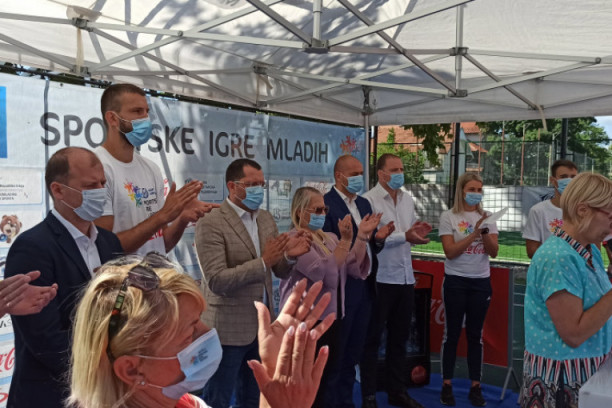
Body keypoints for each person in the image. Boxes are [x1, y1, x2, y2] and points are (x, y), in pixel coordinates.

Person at [68, 253, 333, 408]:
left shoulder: (187, 403)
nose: (207, 332)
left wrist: (274, 383)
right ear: (131, 369)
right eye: (189, 334)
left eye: (199, 320)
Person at [4, 147, 123, 408]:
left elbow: (121, 313)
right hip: (50, 397)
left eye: (102, 183)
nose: (101, 192)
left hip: (106, 394)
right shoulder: (32, 248)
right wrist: (111, 362)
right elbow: (46, 340)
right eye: (90, 186)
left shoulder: (110, 243)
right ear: (58, 190)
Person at [194, 158, 312, 408]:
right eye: (251, 184)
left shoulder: (265, 219)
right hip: (226, 331)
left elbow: (277, 270)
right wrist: (263, 261)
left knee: (253, 398)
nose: (259, 189)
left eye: (261, 184)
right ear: (232, 186)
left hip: (261, 329)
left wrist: (289, 256)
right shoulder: (211, 222)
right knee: (217, 400)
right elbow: (216, 280)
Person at [520, 172, 612, 408]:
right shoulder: (558, 257)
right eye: (610, 216)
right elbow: (574, 333)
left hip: (589, 374)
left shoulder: (589, 250)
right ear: (583, 210)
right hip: (562, 381)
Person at [278, 186, 375, 407]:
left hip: (333, 318)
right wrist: (345, 242)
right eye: (317, 210)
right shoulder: (295, 239)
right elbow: (324, 274)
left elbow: (352, 266)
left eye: (325, 209)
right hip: (306, 321)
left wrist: (360, 236)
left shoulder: (329, 238)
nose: (323, 214)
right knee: (307, 381)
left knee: (329, 377)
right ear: (300, 212)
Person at [94, 83, 217, 255]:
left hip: (157, 270)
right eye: (137, 111)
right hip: (119, 273)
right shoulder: (97, 169)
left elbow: (161, 243)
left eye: (147, 112)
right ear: (113, 119)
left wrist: (182, 218)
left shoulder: (151, 168)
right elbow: (104, 248)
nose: (146, 118)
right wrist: (162, 216)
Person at [322, 154, 394, 408]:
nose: (359, 179)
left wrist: (379, 238)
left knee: (353, 353)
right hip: (341, 290)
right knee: (337, 355)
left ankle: (347, 402)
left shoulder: (363, 203)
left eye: (361, 173)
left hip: (366, 289)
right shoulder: (326, 205)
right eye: (354, 174)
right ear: (338, 176)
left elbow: (370, 246)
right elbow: (328, 251)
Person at [360, 154, 432, 408]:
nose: (400, 173)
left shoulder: (407, 199)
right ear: (381, 173)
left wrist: (416, 233)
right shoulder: (368, 200)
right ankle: (369, 395)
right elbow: (371, 240)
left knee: (399, 340)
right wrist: (405, 236)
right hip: (379, 279)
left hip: (405, 278)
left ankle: (397, 391)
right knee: (372, 340)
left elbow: (407, 233)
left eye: (401, 168)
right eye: (395, 169)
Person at [438, 172, 499, 407]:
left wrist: (484, 232)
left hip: (480, 282)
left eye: (479, 189)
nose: (476, 193)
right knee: (451, 334)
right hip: (455, 281)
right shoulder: (448, 216)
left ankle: (476, 386)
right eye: (472, 189)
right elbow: (450, 252)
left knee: (475, 336)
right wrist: (474, 233)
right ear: (461, 191)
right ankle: (446, 385)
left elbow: (494, 252)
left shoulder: (488, 217)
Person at [523, 159, 578, 258]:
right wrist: (560, 260)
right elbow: (531, 251)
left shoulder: (585, 211)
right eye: (563, 177)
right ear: (553, 180)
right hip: (551, 267)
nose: (569, 181)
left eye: (573, 177)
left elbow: (594, 250)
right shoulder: (538, 211)